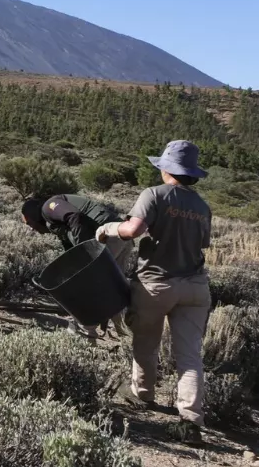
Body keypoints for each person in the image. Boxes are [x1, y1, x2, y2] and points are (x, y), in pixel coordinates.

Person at [96, 140, 212, 446]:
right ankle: (191, 421)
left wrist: (109, 229)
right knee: (189, 355)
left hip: (156, 284)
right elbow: (203, 244)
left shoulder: (155, 194)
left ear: (166, 169)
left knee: (146, 343)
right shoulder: (202, 206)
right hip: (196, 287)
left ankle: (143, 394)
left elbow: (133, 230)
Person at [20, 194, 133, 338]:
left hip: (107, 236)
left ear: (33, 215)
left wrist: (84, 253)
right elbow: (69, 245)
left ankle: (85, 332)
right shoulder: (53, 222)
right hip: (120, 236)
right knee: (114, 289)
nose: (32, 229)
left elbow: (75, 216)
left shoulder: (48, 207)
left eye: (29, 223)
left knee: (84, 287)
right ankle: (125, 333)